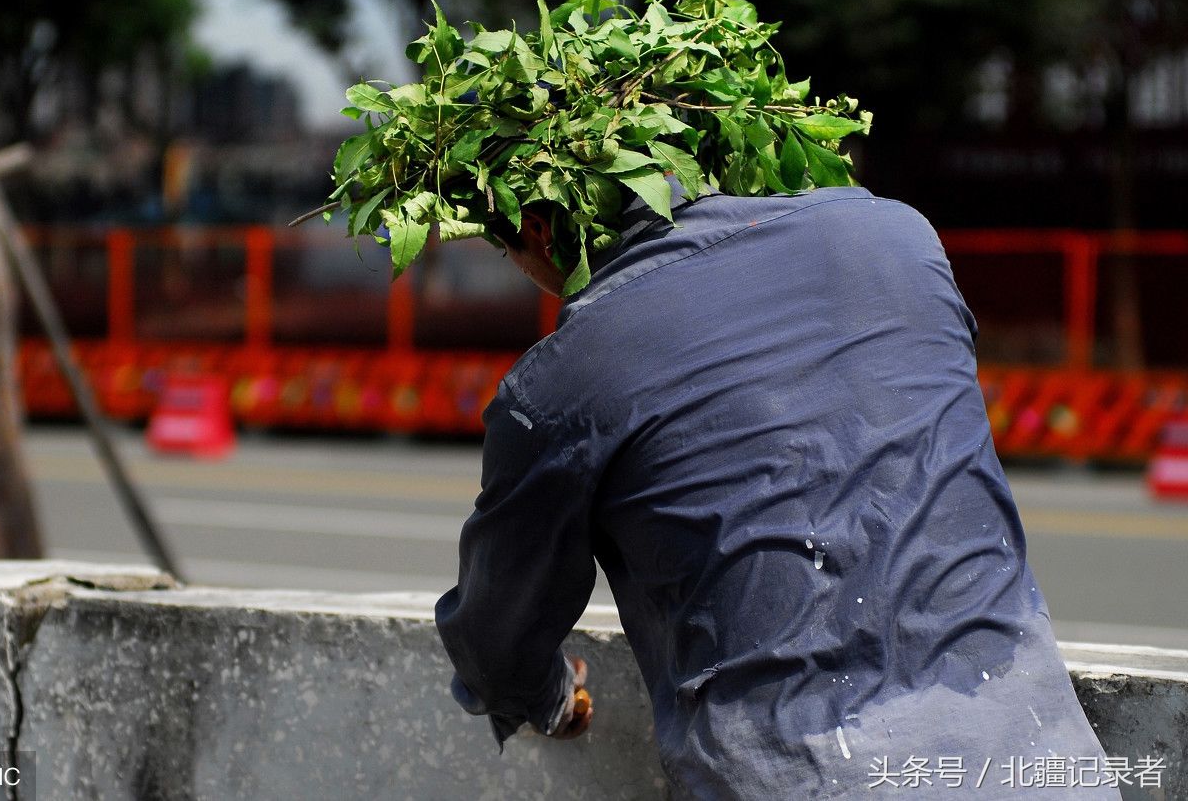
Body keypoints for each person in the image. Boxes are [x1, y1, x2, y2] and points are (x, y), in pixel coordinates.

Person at [433, 179, 1119, 797]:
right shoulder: (899, 233)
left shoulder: (561, 379)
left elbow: (498, 635)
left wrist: (552, 699)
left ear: (537, 230)